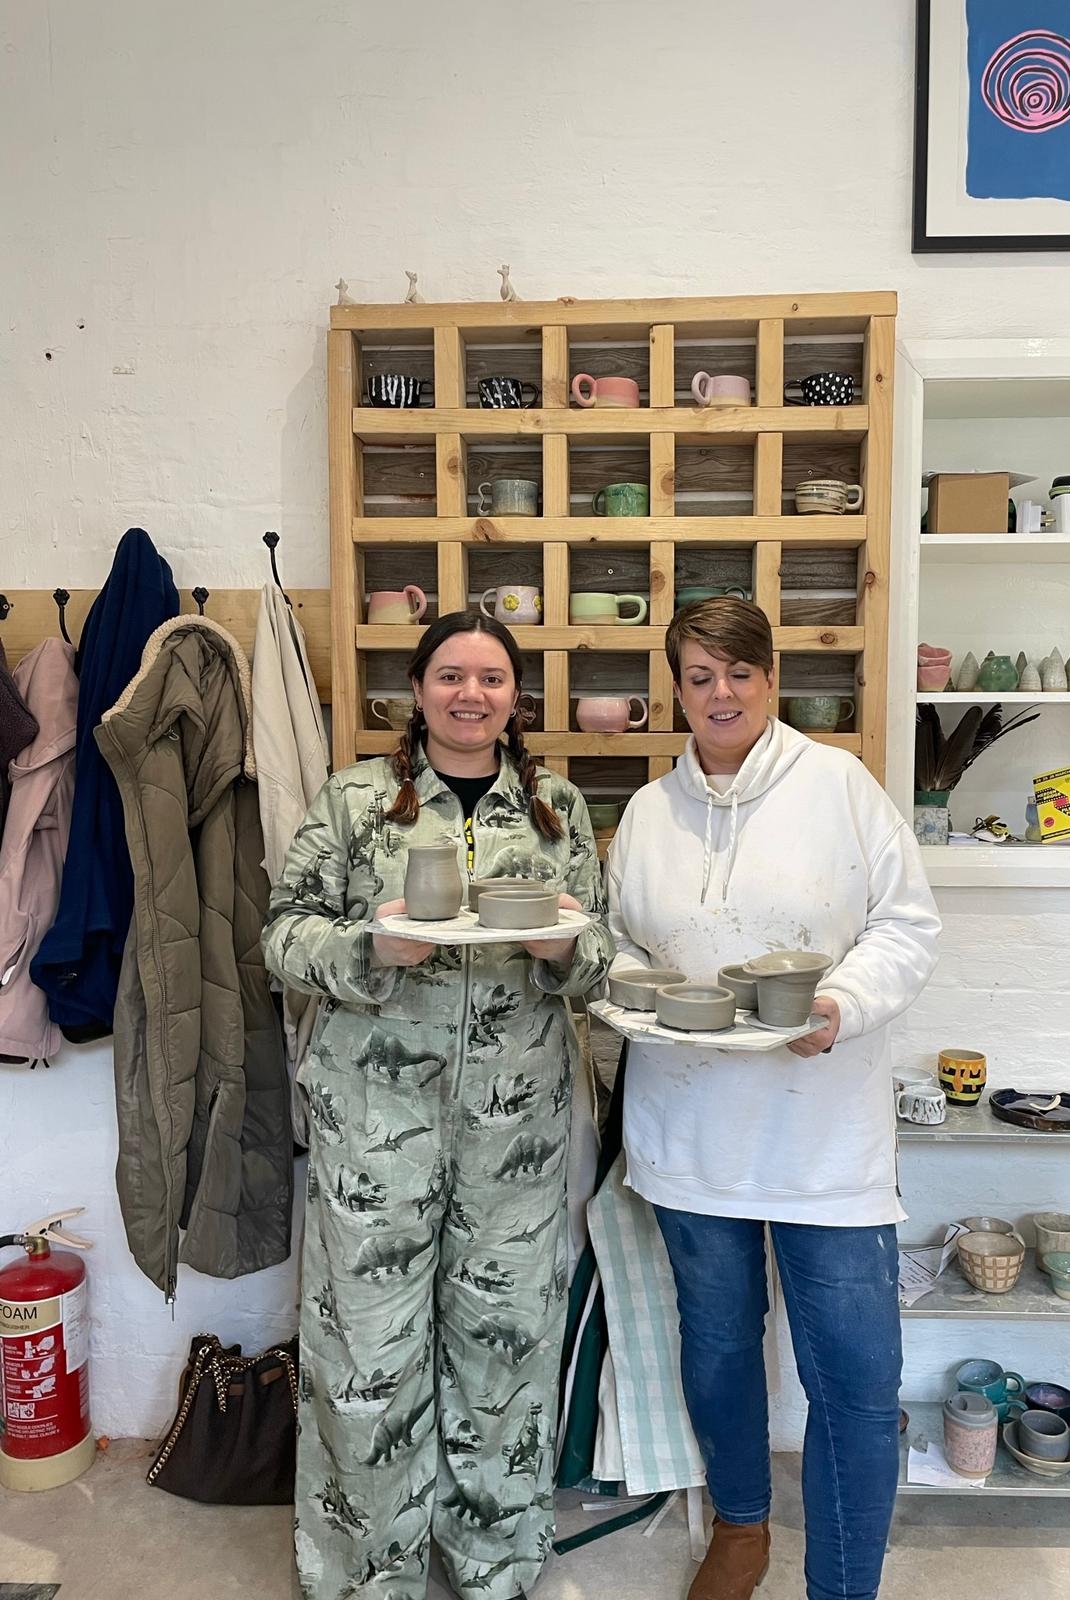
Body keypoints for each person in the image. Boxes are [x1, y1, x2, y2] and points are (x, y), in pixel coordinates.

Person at [263, 610, 613, 1600]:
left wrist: (563, 951)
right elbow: (281, 937)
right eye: (451, 675)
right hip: (373, 1120)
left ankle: (492, 1560)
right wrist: (366, 951)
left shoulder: (555, 806)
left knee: (504, 1343)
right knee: (367, 1351)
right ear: (417, 691)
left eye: (492, 678)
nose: (471, 693)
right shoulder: (355, 800)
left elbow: (602, 958)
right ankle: (369, 1570)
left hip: (516, 1129)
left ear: (514, 698)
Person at [604, 598, 940, 1600]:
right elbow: (623, 945)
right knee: (715, 1344)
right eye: (699, 675)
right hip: (690, 1128)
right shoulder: (648, 813)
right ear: (676, 686)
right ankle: (742, 1527)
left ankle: (842, 1584)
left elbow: (908, 927)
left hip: (823, 1135)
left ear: (771, 676)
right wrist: (632, 995)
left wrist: (840, 1003)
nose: (720, 693)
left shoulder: (840, 786)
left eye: (738, 672)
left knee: (854, 1381)